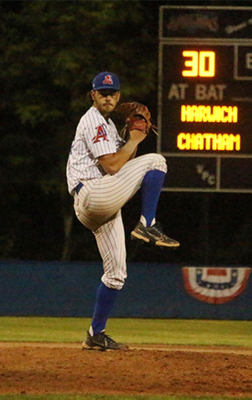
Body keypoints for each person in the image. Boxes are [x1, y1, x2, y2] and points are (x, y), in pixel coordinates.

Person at [66, 71, 180, 351]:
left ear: (118, 96)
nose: (108, 97)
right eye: (102, 92)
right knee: (157, 161)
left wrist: (128, 139)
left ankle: (95, 334)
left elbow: (118, 162)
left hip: (99, 202)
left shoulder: (106, 125)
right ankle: (147, 224)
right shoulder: (93, 120)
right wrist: (135, 140)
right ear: (93, 95)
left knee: (116, 274)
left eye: (113, 93)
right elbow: (115, 167)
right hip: (93, 194)